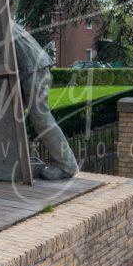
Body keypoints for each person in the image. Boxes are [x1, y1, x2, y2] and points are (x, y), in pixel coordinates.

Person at [12, 22, 79, 180]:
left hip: (34, 70)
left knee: (41, 117)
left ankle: (67, 165)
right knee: (13, 116)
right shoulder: (0, 19)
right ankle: (19, 159)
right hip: (30, 70)